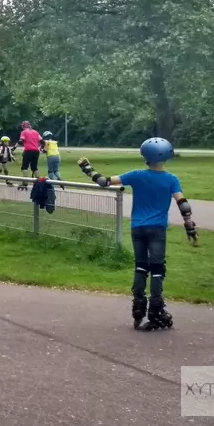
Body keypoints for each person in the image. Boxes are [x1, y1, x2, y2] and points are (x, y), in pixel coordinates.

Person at [77, 137, 197, 331]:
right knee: (157, 269)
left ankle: (138, 308)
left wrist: (87, 168)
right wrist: (190, 227)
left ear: (145, 157)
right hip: (157, 229)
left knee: (141, 266)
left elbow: (104, 181)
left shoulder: (137, 175)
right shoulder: (171, 179)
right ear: (166, 156)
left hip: (137, 228)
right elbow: (183, 204)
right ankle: (156, 310)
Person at [16, 121, 42, 188]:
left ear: (23, 126)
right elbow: (42, 141)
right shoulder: (36, 132)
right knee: (34, 167)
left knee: (24, 166)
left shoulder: (24, 132)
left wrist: (14, 148)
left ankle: (25, 182)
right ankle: (39, 182)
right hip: (36, 151)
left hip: (28, 151)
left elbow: (21, 141)